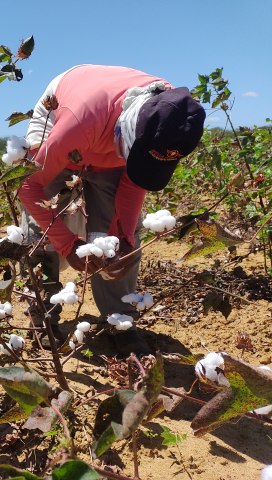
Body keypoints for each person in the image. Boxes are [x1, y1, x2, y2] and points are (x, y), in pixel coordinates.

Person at [18, 64, 206, 356]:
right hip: (64, 123)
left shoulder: (173, 119)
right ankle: (44, 311)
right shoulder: (77, 123)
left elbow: (134, 184)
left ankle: (119, 319)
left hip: (107, 134)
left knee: (117, 244)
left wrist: (126, 240)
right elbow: (28, 188)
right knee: (42, 224)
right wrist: (68, 244)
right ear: (130, 133)